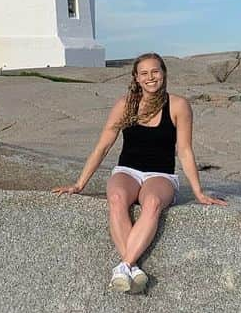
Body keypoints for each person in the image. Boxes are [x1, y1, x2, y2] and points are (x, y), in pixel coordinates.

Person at [53, 52, 227, 293]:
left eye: (155, 71)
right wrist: (79, 184)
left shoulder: (178, 105)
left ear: (164, 73)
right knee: (116, 198)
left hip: (160, 175)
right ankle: (132, 269)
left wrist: (198, 192)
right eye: (144, 73)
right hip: (127, 171)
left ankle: (124, 266)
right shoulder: (125, 105)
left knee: (153, 202)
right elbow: (103, 146)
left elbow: (185, 151)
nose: (150, 77)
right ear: (136, 77)